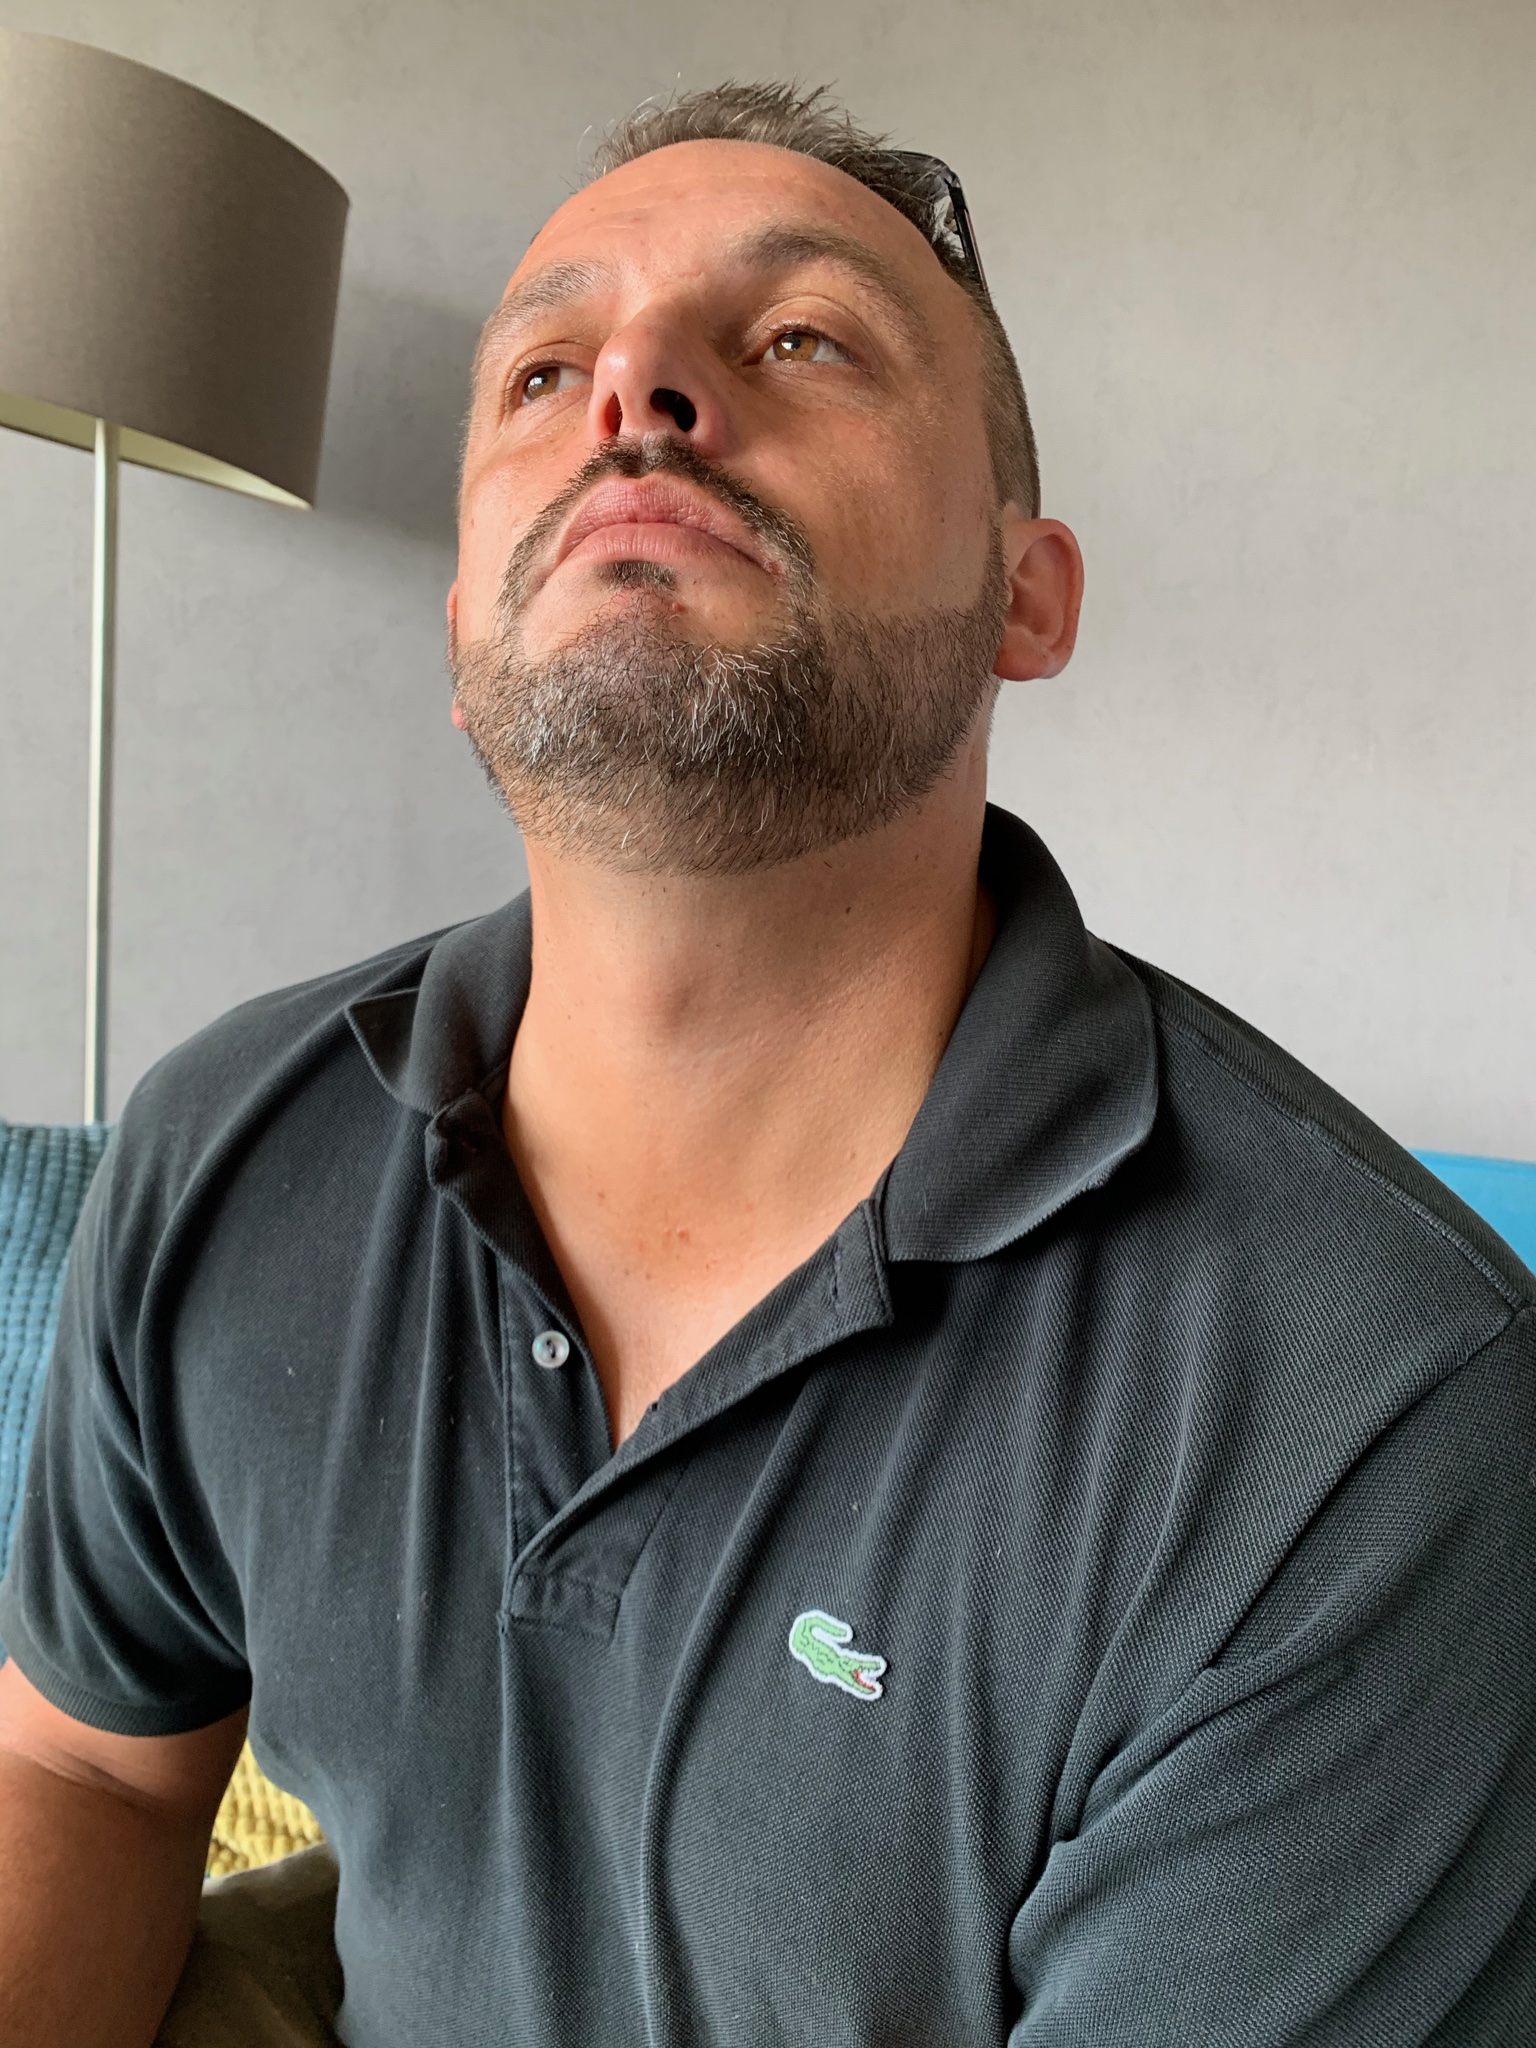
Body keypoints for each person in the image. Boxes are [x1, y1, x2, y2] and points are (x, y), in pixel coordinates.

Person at [1, 79, 1532, 2048]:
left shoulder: (1367, 1415)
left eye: (802, 337)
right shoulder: (219, 1150)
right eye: (543, 369)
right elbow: (88, 1766)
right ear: (466, 625)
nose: (632, 384)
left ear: (1025, 594)